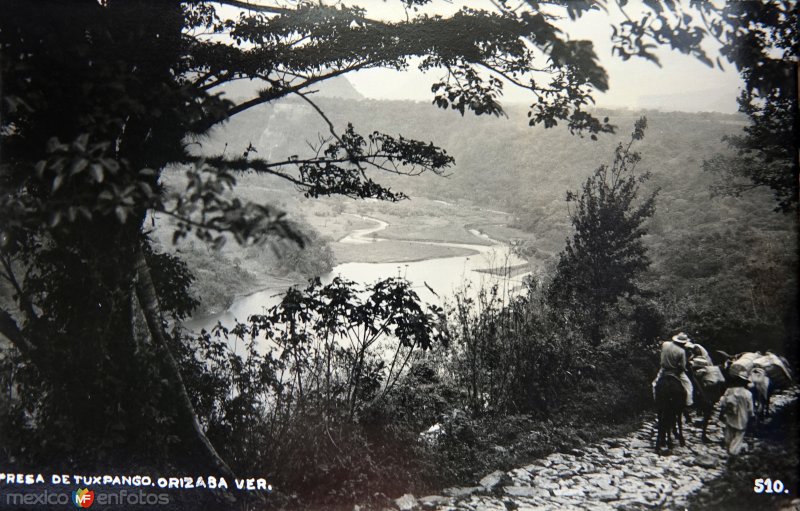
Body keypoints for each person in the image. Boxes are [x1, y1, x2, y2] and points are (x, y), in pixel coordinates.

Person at [652, 332, 694, 407]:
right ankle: (688, 403)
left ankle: (655, 400)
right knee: (689, 386)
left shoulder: (665, 344)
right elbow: (683, 367)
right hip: (675, 372)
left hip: (663, 370)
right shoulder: (681, 351)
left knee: (654, 384)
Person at [719, 372, 754, 455]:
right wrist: (752, 416)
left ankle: (728, 449)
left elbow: (722, 402)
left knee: (729, 433)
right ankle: (733, 452)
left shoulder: (729, 390)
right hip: (742, 417)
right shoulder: (748, 394)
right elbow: (750, 409)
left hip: (730, 416)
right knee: (739, 435)